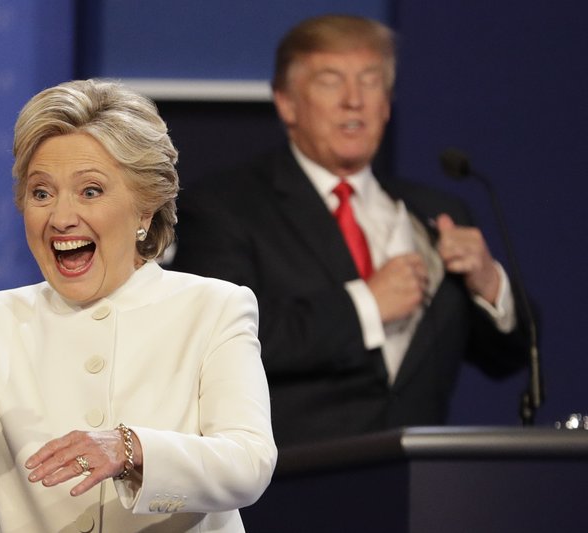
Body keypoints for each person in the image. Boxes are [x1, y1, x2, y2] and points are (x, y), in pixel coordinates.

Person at [0, 79, 277, 532]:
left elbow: (247, 462)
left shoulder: (213, 308)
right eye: (41, 193)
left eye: (90, 191)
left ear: (145, 209)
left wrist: (130, 448)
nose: (60, 218)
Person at [170, 14, 532, 447]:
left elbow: (510, 358)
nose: (353, 100)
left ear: (386, 103)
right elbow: (219, 342)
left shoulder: (439, 214)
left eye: (370, 81)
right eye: (330, 81)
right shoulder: (225, 207)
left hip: (424, 491)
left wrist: (489, 285)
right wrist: (365, 306)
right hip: (296, 484)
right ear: (286, 102)